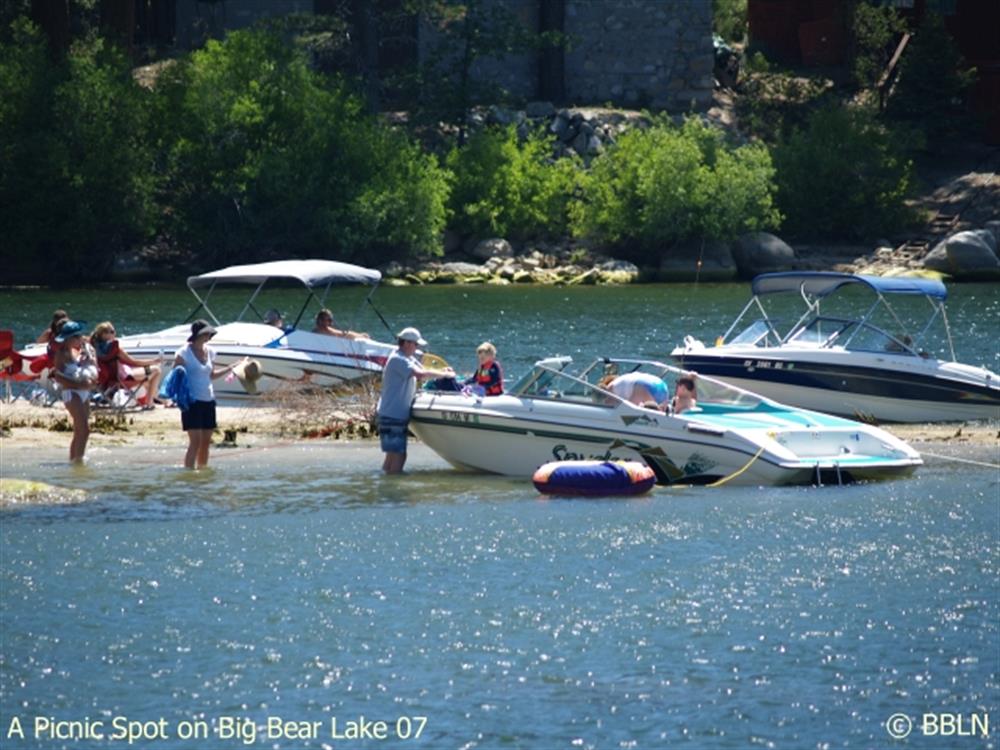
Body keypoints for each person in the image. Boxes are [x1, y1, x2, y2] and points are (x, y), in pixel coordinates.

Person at [377, 326, 454, 474]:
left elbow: (423, 368)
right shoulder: (398, 359)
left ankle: (386, 481)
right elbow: (420, 374)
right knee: (400, 454)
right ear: (406, 343)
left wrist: (443, 371)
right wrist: (444, 376)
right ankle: (394, 486)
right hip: (393, 414)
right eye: (415, 344)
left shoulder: (407, 358)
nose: (417, 347)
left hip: (390, 413)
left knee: (392, 454)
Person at [173, 319, 246, 469]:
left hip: (208, 400)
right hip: (191, 401)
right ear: (197, 334)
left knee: (206, 442)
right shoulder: (183, 353)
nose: (208, 336)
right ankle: (189, 472)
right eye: (205, 333)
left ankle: (202, 470)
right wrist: (176, 399)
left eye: (209, 334)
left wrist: (232, 367)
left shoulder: (210, 351)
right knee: (196, 441)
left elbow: (211, 375)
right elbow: (175, 377)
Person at [49, 320, 98, 463]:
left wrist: (90, 360)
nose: (81, 339)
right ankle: (78, 462)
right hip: (72, 393)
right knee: (84, 430)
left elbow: (89, 370)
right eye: (77, 337)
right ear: (69, 339)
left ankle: (74, 460)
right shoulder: (61, 354)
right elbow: (58, 377)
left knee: (79, 432)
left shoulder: (78, 351)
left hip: (83, 392)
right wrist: (81, 385)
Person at [90, 321, 164, 406]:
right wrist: (153, 361)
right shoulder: (114, 348)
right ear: (104, 334)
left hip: (108, 381)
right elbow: (134, 362)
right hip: (124, 378)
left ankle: (158, 401)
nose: (114, 334)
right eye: (112, 332)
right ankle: (149, 403)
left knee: (147, 381)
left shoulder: (95, 348)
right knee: (156, 370)